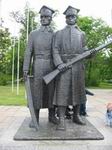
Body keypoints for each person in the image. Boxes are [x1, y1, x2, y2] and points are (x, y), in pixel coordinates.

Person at [53, 6, 88, 130]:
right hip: (64, 66)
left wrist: (90, 53)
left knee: (78, 92)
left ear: (76, 18)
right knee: (62, 93)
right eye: (68, 16)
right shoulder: (59, 33)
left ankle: (76, 116)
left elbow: (85, 50)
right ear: (65, 18)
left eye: (73, 16)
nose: (71, 18)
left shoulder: (82, 34)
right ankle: (61, 119)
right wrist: (59, 64)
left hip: (78, 67)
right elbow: (55, 50)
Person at [23, 5, 58, 128]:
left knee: (51, 91)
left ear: (50, 18)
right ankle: (35, 118)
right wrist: (25, 68)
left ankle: (52, 115)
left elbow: (57, 51)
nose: (43, 19)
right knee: (37, 92)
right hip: (37, 65)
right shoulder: (33, 34)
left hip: (51, 65)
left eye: (46, 17)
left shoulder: (55, 34)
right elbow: (28, 52)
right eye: (42, 17)